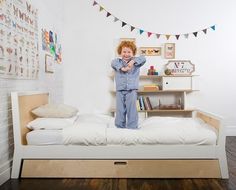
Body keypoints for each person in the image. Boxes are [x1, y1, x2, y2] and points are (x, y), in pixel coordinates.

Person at [111, 41, 146, 129]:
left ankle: (132, 127)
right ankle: (120, 126)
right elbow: (113, 63)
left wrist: (133, 61)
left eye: (129, 52)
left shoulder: (136, 63)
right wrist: (123, 68)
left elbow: (143, 58)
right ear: (120, 52)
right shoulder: (117, 61)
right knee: (120, 109)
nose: (126, 54)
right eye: (124, 52)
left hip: (132, 89)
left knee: (132, 109)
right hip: (120, 89)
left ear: (133, 53)